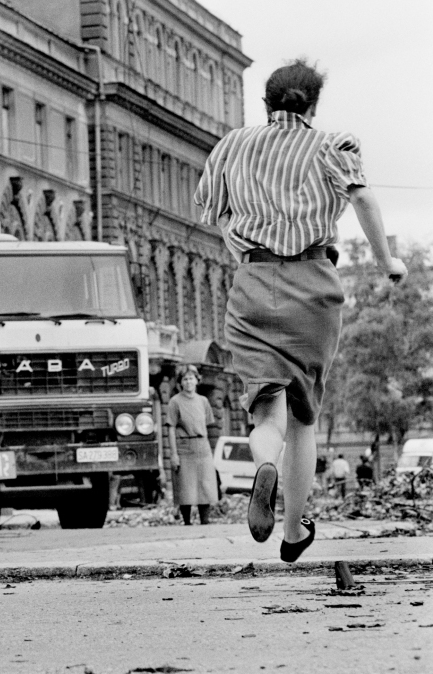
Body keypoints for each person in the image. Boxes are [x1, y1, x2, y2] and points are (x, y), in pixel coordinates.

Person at [195, 59, 408, 563]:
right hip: (312, 284)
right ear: (312, 105)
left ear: (265, 105)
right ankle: (293, 533)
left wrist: (241, 246)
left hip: (252, 283)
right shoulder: (334, 145)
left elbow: (210, 209)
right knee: (305, 418)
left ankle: (263, 463)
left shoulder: (233, 144)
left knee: (267, 411)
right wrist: (386, 261)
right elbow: (363, 199)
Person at [167, 366, 218, 525]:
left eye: (191, 378)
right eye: (185, 379)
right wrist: (174, 454)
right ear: (181, 382)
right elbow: (170, 427)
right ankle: (187, 521)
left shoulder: (203, 401)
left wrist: (211, 449)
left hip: (202, 445)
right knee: (185, 485)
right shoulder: (175, 401)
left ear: (197, 380)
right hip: (184, 446)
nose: (188, 382)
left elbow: (209, 426)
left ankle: (205, 520)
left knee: (206, 483)